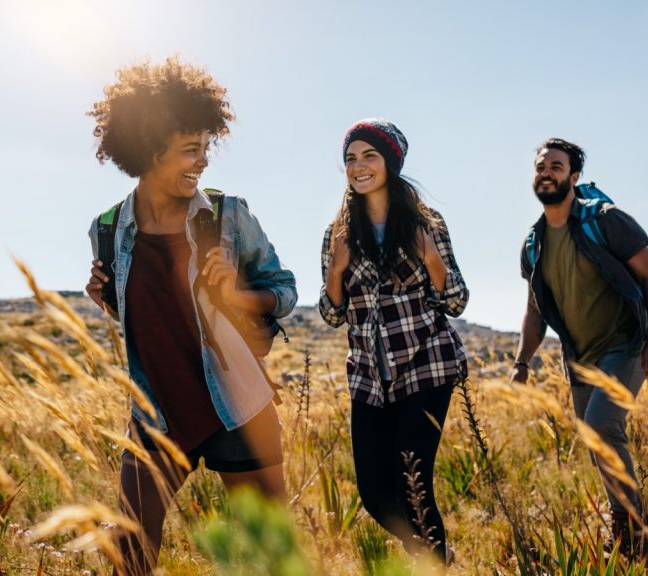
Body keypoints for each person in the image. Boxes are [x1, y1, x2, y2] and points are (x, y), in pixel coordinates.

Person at [84, 57, 297, 576]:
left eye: (206, 148)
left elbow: (284, 290)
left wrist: (239, 296)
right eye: (189, 150)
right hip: (156, 412)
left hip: (237, 406)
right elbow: (149, 314)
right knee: (130, 552)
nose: (202, 161)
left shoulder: (228, 215)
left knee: (273, 557)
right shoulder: (109, 229)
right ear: (149, 147)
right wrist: (106, 299)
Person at [319, 118, 468, 565]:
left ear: (391, 162)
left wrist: (432, 260)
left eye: (369, 156)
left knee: (413, 484)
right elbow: (331, 314)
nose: (358, 167)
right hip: (368, 378)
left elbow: (457, 300)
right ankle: (434, 556)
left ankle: (432, 564)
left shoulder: (427, 223)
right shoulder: (338, 232)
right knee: (374, 493)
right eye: (350, 159)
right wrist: (335, 271)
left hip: (426, 368)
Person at [510, 138, 648, 560]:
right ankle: (624, 529)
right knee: (598, 444)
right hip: (579, 359)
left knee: (601, 427)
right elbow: (534, 309)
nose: (547, 172)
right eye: (541, 166)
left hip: (625, 344)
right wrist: (522, 361)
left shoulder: (606, 221)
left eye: (557, 166)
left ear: (574, 177)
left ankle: (637, 536)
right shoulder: (534, 244)